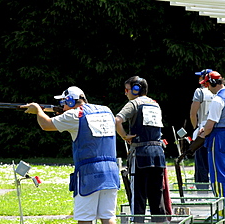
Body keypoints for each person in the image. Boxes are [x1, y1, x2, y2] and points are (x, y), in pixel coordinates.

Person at [21, 86, 120, 224]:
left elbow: (45, 124)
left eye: (63, 103)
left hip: (88, 173)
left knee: (84, 218)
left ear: (70, 102)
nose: (62, 106)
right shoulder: (106, 111)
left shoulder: (75, 115)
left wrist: (37, 110)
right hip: (111, 172)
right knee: (108, 217)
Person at [115, 76, 166, 223]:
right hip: (158, 154)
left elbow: (117, 120)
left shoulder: (134, 103)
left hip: (140, 154)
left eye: (127, 89)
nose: (126, 93)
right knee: (157, 195)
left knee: (138, 195)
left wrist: (124, 136)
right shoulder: (155, 104)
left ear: (136, 89)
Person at [198, 71, 225, 222]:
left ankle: (223, 212)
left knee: (217, 175)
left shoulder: (218, 99)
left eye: (207, 84)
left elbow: (210, 124)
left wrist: (203, 133)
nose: (207, 88)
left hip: (219, 138)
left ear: (213, 83)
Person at [190, 69, 214, 189]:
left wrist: (196, 127)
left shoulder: (199, 91)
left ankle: (202, 190)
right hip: (216, 128)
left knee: (201, 163)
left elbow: (193, 114)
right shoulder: (219, 91)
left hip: (202, 128)